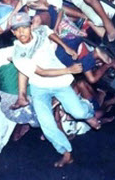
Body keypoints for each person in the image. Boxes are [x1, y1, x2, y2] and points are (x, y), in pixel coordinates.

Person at [9, 12, 99, 167]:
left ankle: (88, 115)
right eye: (17, 30)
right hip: (40, 87)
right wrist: (69, 70)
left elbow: (51, 33)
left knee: (78, 112)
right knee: (47, 124)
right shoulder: (18, 54)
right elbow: (41, 72)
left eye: (24, 27)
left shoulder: (41, 30)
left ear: (30, 26)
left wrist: (65, 47)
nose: (21, 32)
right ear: (13, 32)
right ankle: (66, 153)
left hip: (61, 83)